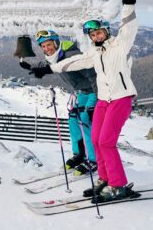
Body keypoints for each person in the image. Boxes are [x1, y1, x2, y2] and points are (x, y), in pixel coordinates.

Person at [31, 0, 140, 202]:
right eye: (92, 35)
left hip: (120, 98)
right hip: (103, 99)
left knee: (107, 142)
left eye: (99, 32)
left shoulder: (120, 45)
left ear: (106, 32)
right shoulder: (94, 53)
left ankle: (118, 185)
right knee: (97, 139)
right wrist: (48, 68)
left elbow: (129, 26)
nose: (95, 36)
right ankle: (104, 178)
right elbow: (74, 62)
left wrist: (129, 1)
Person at [19, 29, 98, 176]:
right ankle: (79, 154)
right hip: (82, 92)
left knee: (86, 120)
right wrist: (31, 66)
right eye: (43, 46)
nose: (46, 49)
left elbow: (93, 75)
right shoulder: (56, 56)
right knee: (73, 119)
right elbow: (47, 65)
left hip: (94, 90)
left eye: (49, 45)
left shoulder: (71, 55)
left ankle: (94, 160)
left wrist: (95, 101)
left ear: (56, 43)